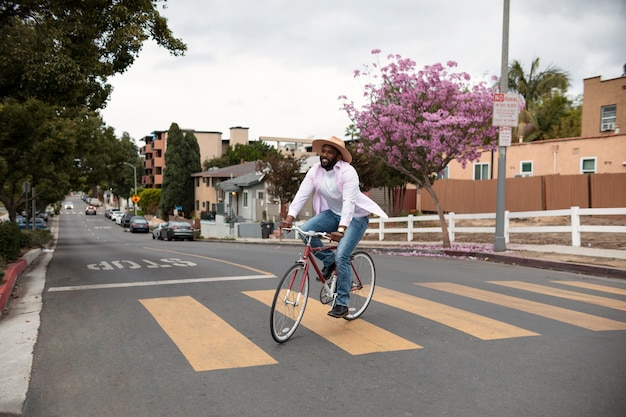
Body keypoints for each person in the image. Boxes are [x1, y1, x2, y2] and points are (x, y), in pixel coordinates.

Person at [279, 136, 388, 318]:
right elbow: (302, 194)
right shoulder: (315, 170)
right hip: (333, 213)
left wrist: (341, 230)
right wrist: (289, 218)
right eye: (323, 151)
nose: (325, 155)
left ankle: (342, 302)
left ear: (338, 156)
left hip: (355, 217)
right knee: (305, 232)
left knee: (342, 254)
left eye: (330, 152)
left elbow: (349, 202)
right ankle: (330, 262)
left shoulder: (348, 172)